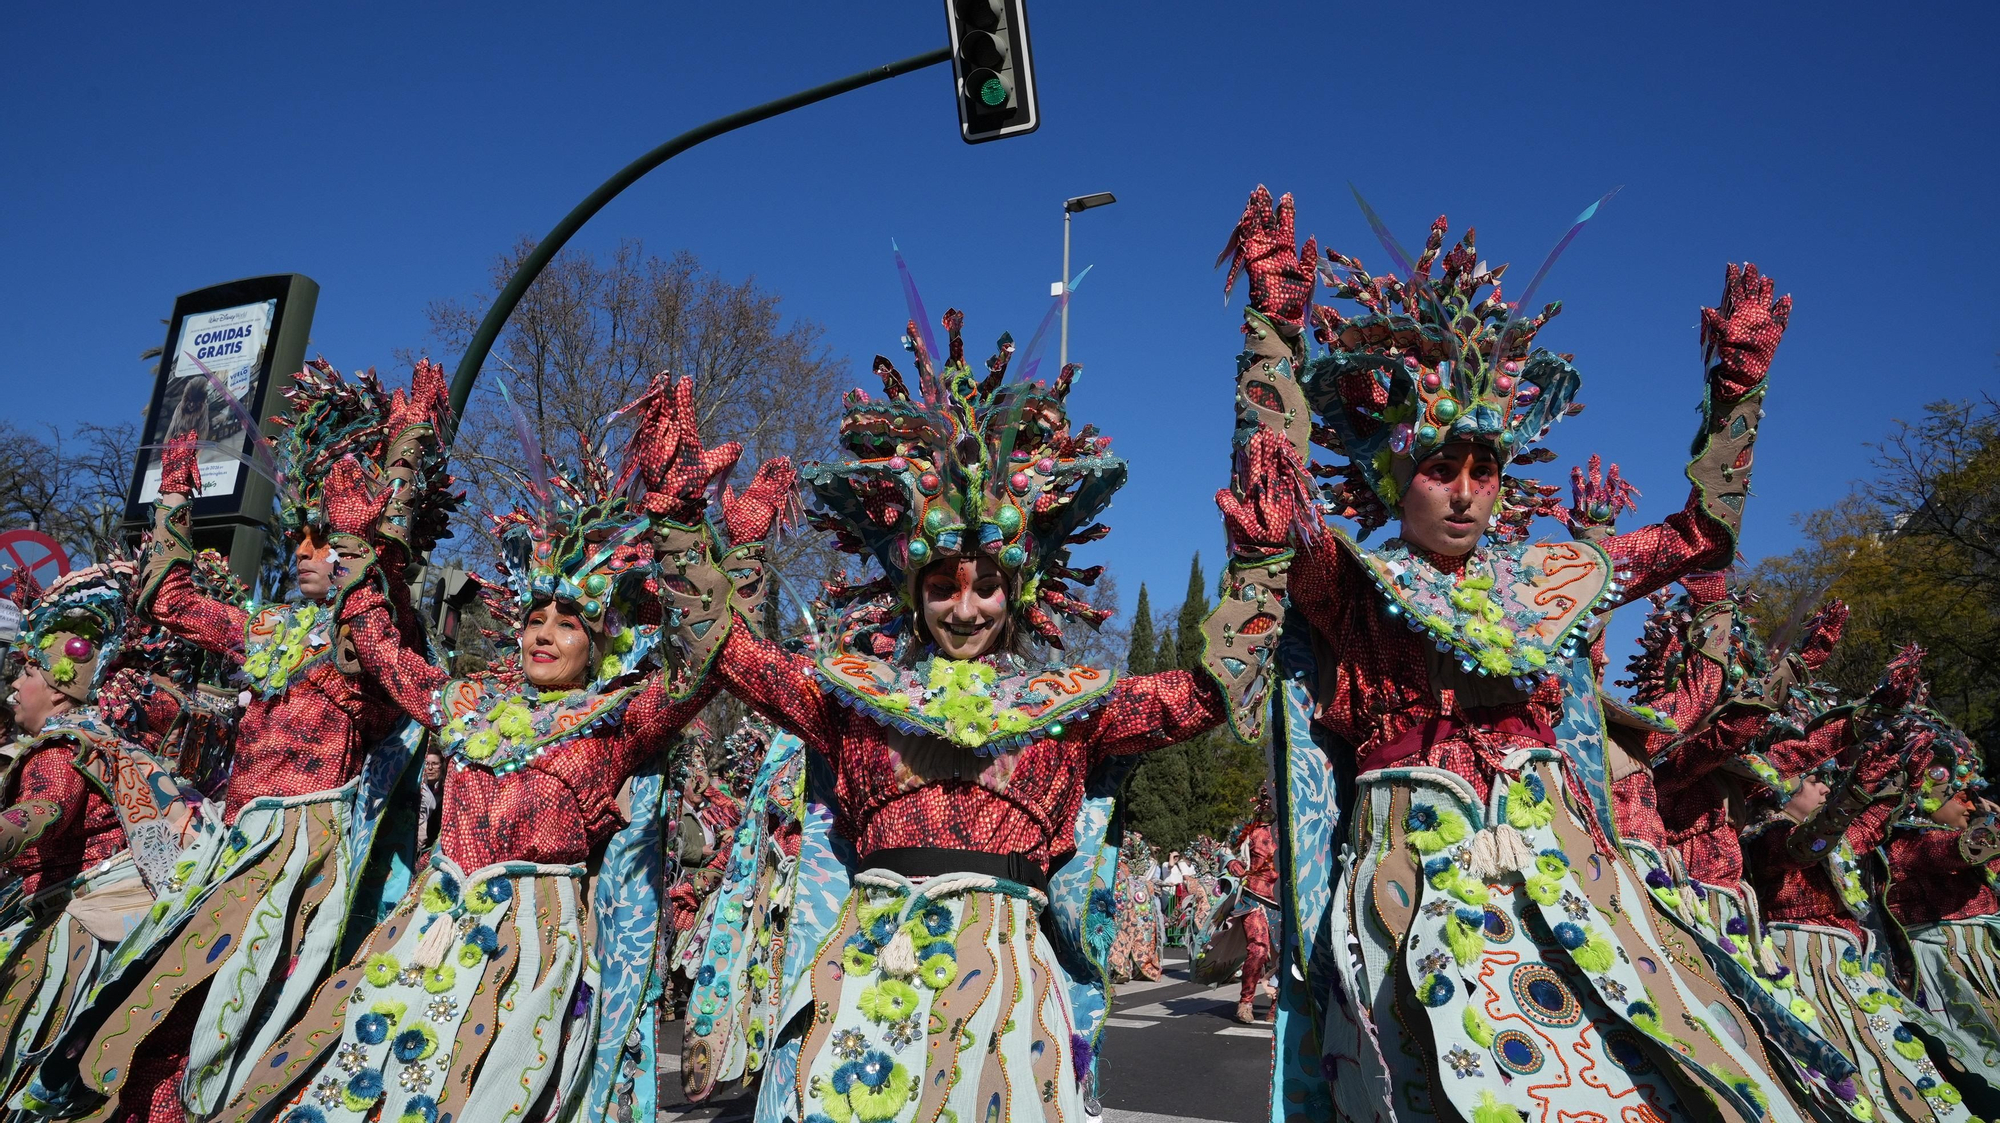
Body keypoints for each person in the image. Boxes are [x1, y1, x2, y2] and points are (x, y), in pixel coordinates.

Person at [1224, 185, 1810, 1123]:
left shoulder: (1555, 578)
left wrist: (1738, 391)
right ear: (1390, 471)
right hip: (1401, 886)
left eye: (1482, 470)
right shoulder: (1353, 585)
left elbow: (1698, 536)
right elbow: (1274, 499)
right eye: (1438, 467)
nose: (1463, 494)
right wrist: (1272, 332)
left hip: (1554, 878)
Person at [685, 304, 1263, 1123]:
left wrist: (1262, 521)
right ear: (911, 594)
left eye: (985, 582)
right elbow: (728, 652)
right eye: (942, 584)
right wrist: (692, 529)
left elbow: (1208, 692)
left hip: (1008, 981)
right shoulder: (856, 701)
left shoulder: (1072, 712)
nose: (964, 607)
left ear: (1018, 590)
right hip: (867, 972)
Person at [214, 374, 746, 1123]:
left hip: (534, 947)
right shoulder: (468, 705)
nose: (543, 632)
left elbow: (701, 667)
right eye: (535, 615)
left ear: (598, 643)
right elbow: (387, 654)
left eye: (567, 621)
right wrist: (361, 557)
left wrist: (683, 527)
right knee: (355, 1085)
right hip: (429, 924)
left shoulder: (615, 722)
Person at [30, 361, 459, 1122]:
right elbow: (169, 597)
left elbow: (381, 584)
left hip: (306, 871)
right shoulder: (271, 629)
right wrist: (176, 489)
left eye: (323, 536)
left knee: (246, 1039)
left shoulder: (374, 638)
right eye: (298, 533)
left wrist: (403, 455)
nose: (302, 549)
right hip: (231, 855)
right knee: (148, 1022)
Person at [1739, 646, 1993, 1122]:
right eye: (1814, 781)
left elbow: (1863, 827)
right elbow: (1810, 846)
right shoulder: (1766, 840)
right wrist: (1856, 791)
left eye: (1828, 783)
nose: (1823, 788)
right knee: (1843, 1087)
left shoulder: (1842, 837)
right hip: (1803, 968)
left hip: (1852, 971)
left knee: (1903, 1082)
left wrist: (1891, 780)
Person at [0, 566, 209, 1114]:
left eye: (25, 671)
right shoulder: (103, 740)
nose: (14, 685)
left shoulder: (58, 748)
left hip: (76, 933)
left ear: (58, 685)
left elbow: (42, 810)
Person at [1225, 787, 1277, 1023]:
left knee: (1286, 956)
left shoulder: (1301, 833)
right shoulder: (1254, 832)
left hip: (1284, 904)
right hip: (1254, 899)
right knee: (1258, 950)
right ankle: (1246, 1001)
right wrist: (1231, 863)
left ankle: (1278, 1004)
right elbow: (1226, 852)